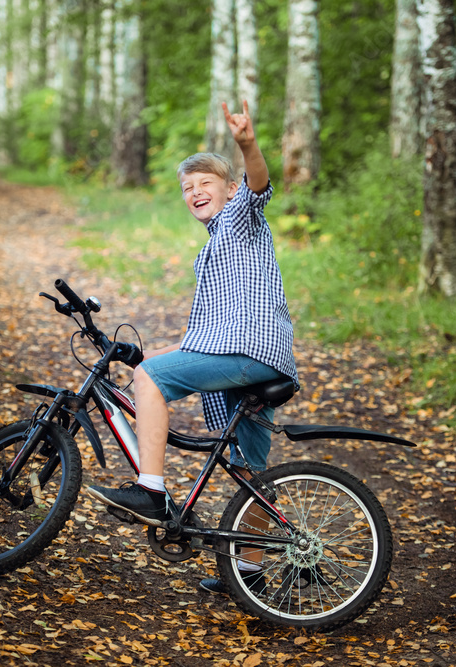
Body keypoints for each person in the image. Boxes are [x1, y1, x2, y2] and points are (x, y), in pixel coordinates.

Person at [86, 101, 299, 594]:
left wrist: (246, 144)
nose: (195, 192)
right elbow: (208, 330)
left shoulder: (241, 220)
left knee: (150, 381)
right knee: (248, 470)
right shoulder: (212, 249)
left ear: (228, 190)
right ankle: (249, 572)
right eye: (187, 188)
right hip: (245, 355)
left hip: (248, 353)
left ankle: (151, 491)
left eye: (205, 183)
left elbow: (259, 183)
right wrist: (152, 351)